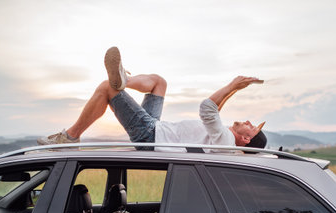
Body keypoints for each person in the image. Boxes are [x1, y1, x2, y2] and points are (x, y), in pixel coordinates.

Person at [38, 47, 267, 152]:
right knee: (160, 82)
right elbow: (214, 114)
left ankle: (70, 137)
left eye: (251, 127)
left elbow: (208, 109)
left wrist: (232, 85)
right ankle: (124, 81)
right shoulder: (222, 139)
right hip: (156, 128)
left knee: (106, 88)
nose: (248, 121)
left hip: (150, 135)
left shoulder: (225, 140)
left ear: (246, 140)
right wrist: (233, 91)